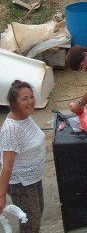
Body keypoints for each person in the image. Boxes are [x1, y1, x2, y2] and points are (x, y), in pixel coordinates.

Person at [0, 80, 46, 232]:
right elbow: (7, 166)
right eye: (24, 99)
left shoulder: (25, 117)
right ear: (14, 103)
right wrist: (1, 197)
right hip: (21, 183)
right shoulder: (11, 129)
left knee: (36, 215)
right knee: (30, 223)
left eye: (31, 97)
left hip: (33, 178)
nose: (31, 101)